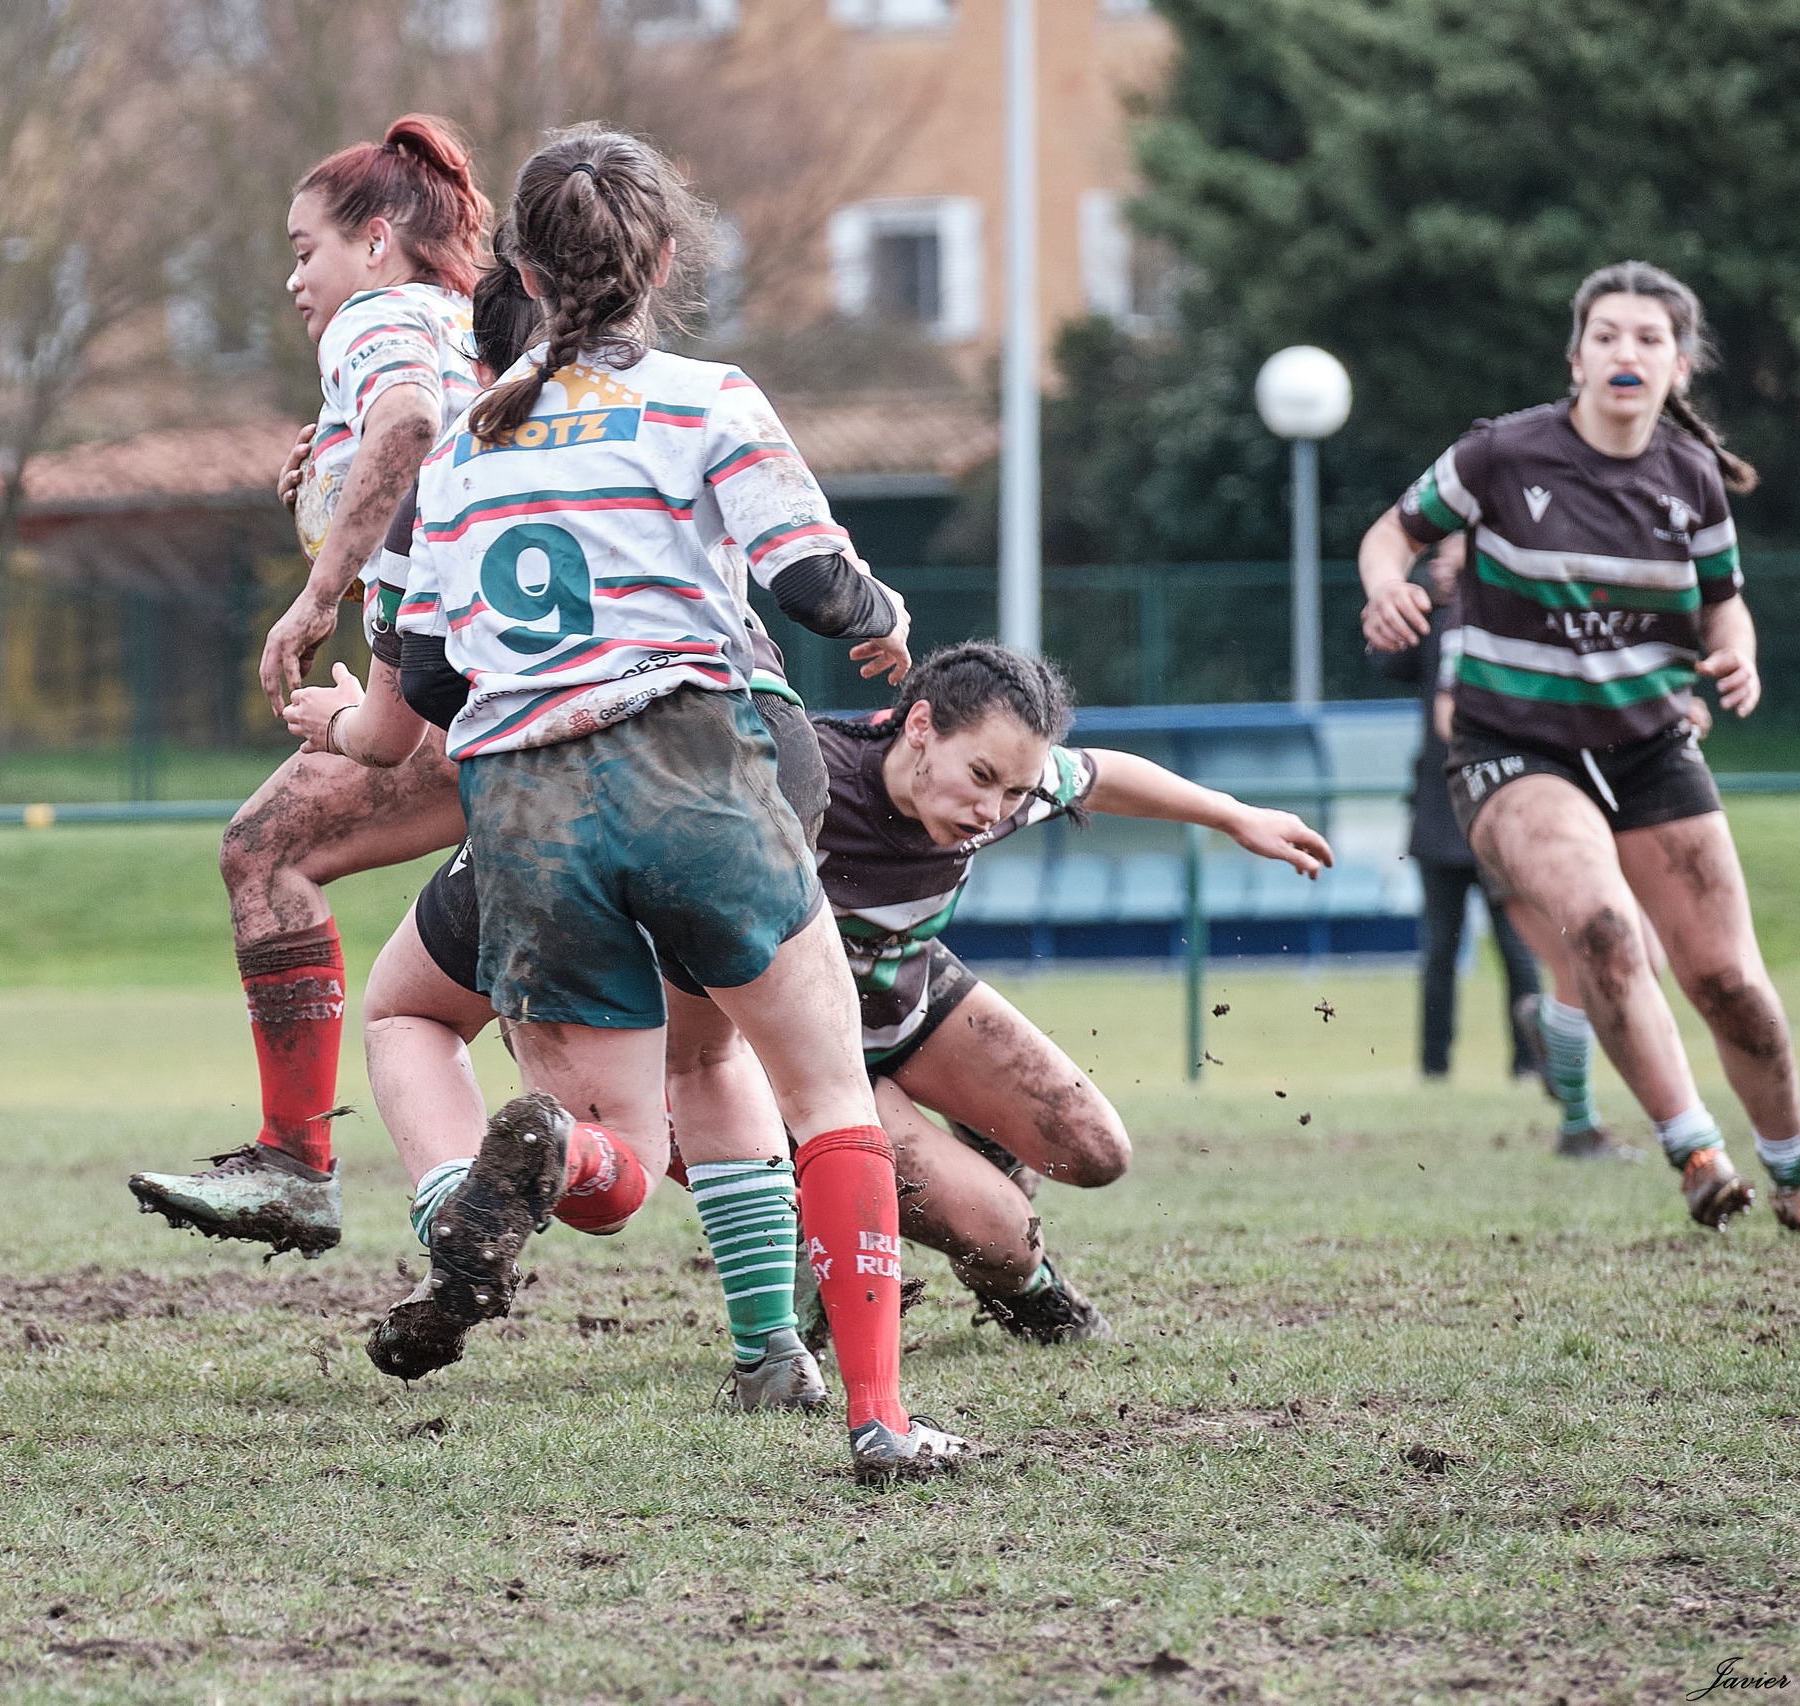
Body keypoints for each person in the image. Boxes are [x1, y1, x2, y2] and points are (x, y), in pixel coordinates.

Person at [385, 123, 967, 1482]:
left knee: (622, 1160)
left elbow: (419, 674)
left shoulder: (468, 444)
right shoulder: (708, 399)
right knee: (826, 1095)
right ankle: (877, 1416)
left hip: (520, 799)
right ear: (660, 257)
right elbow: (814, 584)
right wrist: (884, 618)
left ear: (522, 265)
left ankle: (555, 1149)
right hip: (690, 764)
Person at [1358, 259, 1800, 1244]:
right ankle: (1693, 1152)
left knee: (1726, 980)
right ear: (1575, 357)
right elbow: (1389, 532)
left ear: (1677, 366)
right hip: (1510, 746)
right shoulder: (1500, 453)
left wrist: (1737, 658)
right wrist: (1386, 587)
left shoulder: (1692, 480)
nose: (1623, 352)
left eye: (1645, 338)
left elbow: (1722, 602)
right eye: (1605, 335)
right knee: (1600, 926)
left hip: (1647, 744)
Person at [128, 117, 489, 1256]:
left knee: (264, 847)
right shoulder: (467, 322)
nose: (294, 280)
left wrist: (316, 592)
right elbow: (431, 470)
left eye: (303, 250)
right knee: (622, 1058)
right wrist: (331, 492)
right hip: (552, 696)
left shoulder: (375, 320)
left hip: (473, 694)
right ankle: (850, 1193)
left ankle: (294, 1162)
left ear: (375, 241)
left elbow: (412, 423)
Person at [809, 643, 1333, 1334]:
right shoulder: (806, 780)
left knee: (1093, 1151)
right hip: (804, 1041)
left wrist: (1233, 815)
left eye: (1016, 792)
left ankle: (970, 1129)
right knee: (1004, 1232)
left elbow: (1102, 774)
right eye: (982, 776)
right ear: (919, 727)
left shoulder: (1001, 787)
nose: (993, 810)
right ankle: (1028, 1293)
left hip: (904, 989)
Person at [1369, 533, 1549, 1099]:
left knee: (1520, 947)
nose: (1442, 561)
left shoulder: (1510, 620)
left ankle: (1530, 1064)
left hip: (1498, 811)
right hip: (1438, 812)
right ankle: (1434, 1068)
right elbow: (1384, 662)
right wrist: (1421, 595)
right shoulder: (1440, 621)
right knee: (1439, 953)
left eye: (1452, 553)